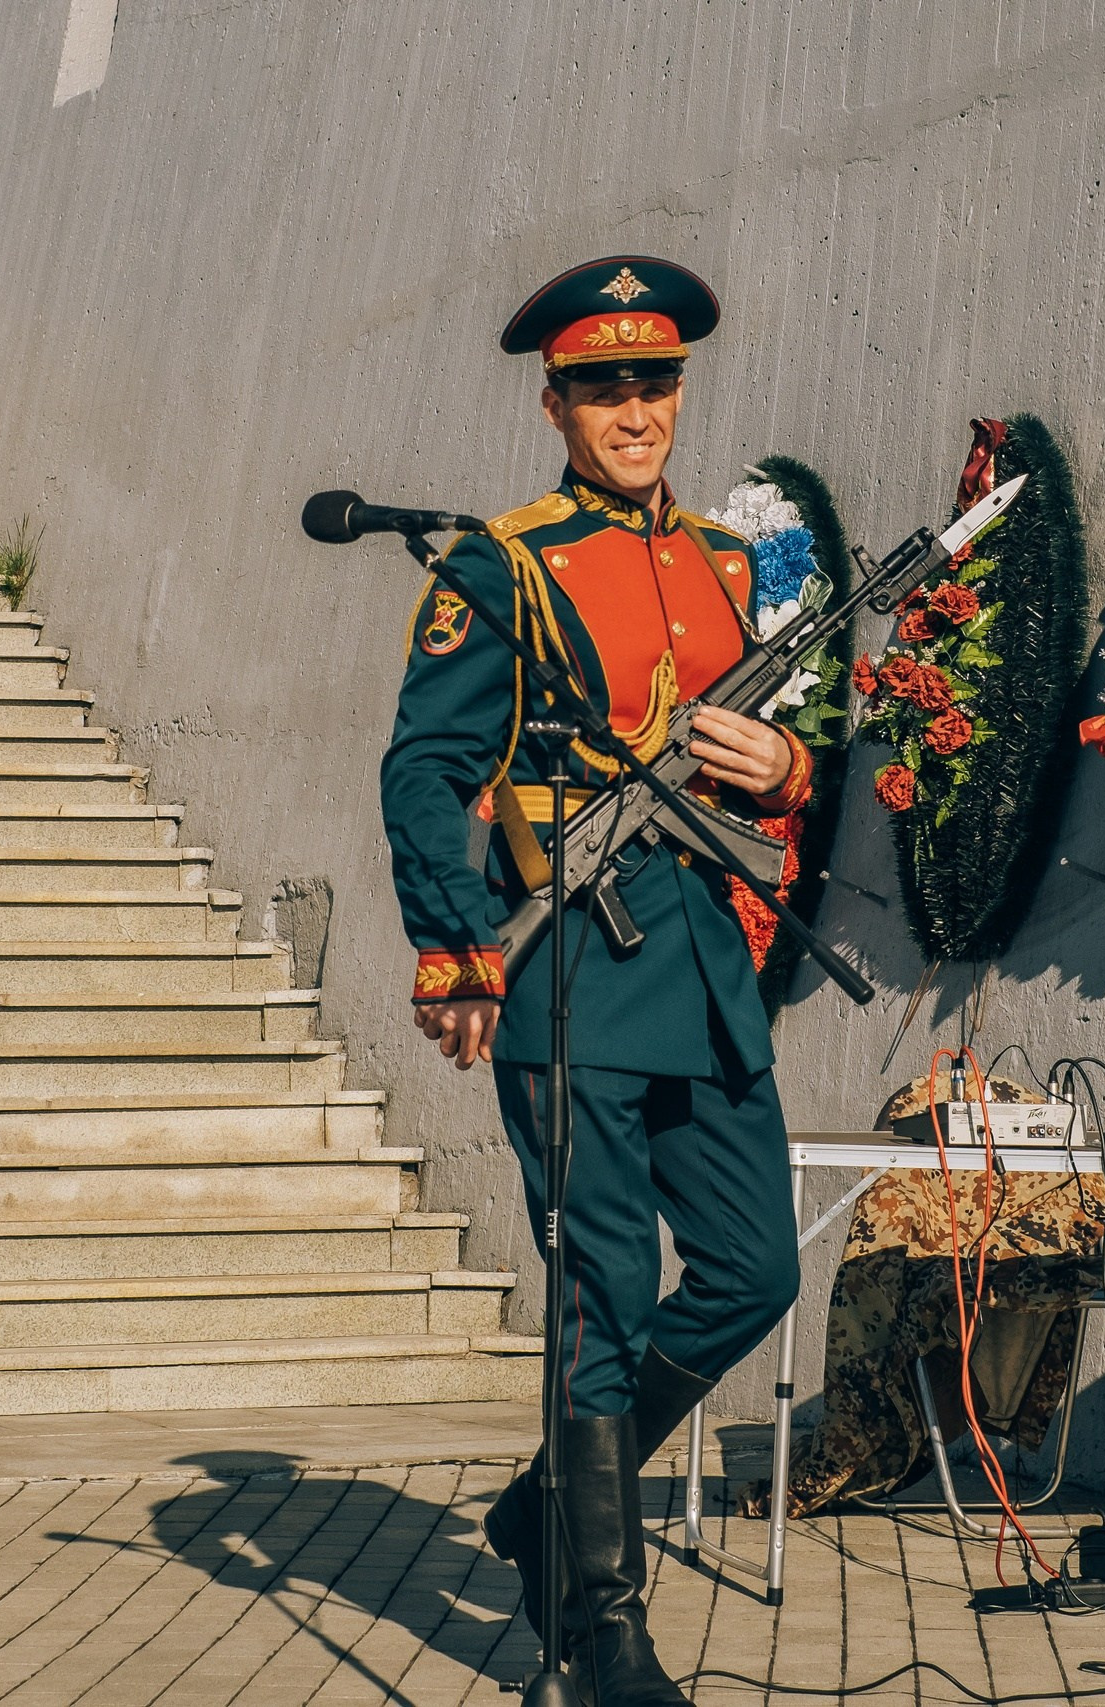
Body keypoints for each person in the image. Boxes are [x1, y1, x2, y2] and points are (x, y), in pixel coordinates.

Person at [379, 255, 805, 1706]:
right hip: (568, 969)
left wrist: (790, 764)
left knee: (757, 1269)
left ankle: (546, 1506)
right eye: (605, 386)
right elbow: (426, 769)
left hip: (698, 969)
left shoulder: (727, 568)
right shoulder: (501, 566)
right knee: (607, 1296)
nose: (637, 408)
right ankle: (600, 1630)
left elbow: (770, 777)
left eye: (657, 380)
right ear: (555, 404)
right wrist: (452, 945)